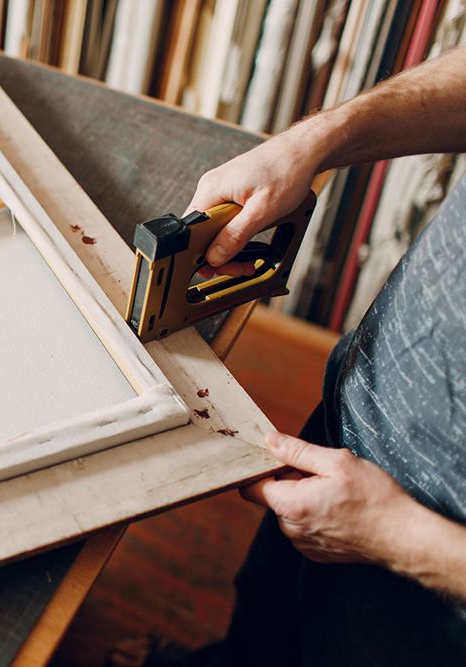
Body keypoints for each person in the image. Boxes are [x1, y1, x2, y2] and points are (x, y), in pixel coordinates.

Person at [161, 47, 466, 666]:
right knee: (265, 625)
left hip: (436, 592)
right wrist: (317, 140)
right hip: (354, 422)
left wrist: (401, 538)